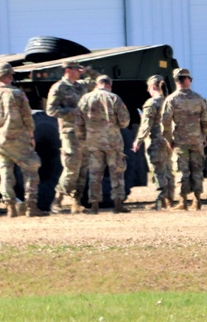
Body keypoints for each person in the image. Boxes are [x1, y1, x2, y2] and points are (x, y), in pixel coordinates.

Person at [0, 62, 45, 218]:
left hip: (1, 139)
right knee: (31, 169)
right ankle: (31, 206)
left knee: (5, 174)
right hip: (19, 138)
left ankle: (10, 207)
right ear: (10, 76)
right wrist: (31, 136)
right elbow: (27, 117)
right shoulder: (17, 94)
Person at [76, 74, 131, 214]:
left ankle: (94, 206)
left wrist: (84, 138)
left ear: (97, 84)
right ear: (109, 85)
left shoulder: (85, 99)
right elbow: (124, 122)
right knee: (117, 172)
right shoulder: (114, 98)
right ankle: (118, 204)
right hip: (113, 141)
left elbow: (78, 123)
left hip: (93, 142)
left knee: (95, 173)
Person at [161, 67, 207, 211]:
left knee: (182, 171)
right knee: (197, 169)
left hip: (180, 141)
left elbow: (165, 122)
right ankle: (197, 199)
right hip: (196, 140)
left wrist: (168, 139)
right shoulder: (199, 99)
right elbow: (205, 121)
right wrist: (204, 136)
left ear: (176, 81)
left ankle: (183, 201)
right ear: (188, 80)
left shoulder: (171, 100)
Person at [45, 59, 90, 214]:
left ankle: (77, 201)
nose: (79, 72)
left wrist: (88, 71)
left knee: (84, 167)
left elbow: (98, 80)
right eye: (77, 69)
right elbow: (51, 110)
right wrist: (71, 112)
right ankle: (57, 200)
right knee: (71, 167)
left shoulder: (81, 86)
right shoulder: (59, 87)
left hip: (84, 133)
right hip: (69, 132)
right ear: (68, 70)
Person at [132, 74, 176, 210]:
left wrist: (138, 141)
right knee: (168, 169)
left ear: (152, 87)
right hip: (169, 140)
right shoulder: (169, 101)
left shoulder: (151, 103)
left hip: (156, 141)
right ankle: (170, 198)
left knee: (158, 169)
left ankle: (161, 200)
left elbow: (146, 125)